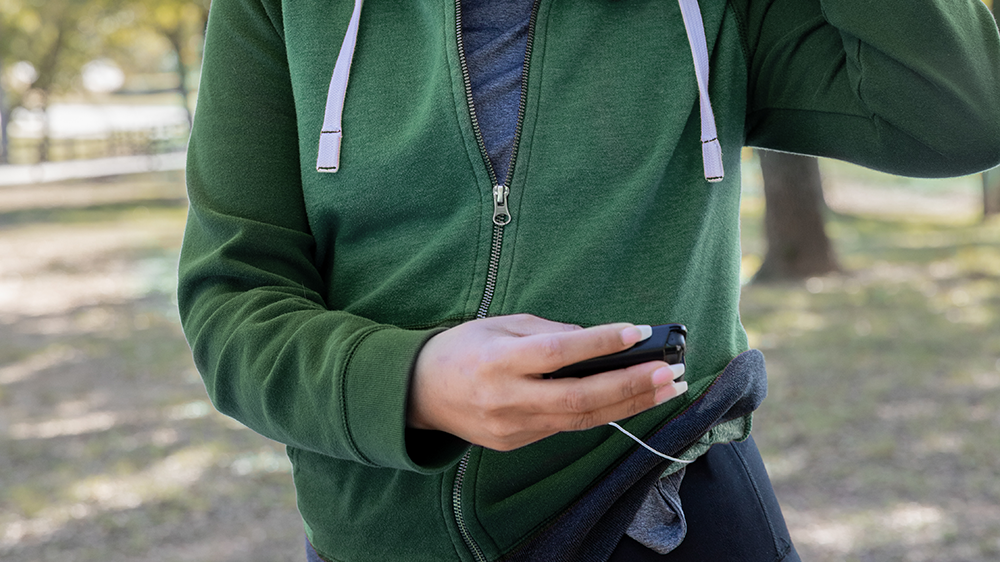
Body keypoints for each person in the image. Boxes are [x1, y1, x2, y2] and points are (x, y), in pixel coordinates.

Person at [177, 0, 1000, 560]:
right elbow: (234, 303)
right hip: (379, 535)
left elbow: (965, 115)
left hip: (665, 505)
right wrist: (415, 384)